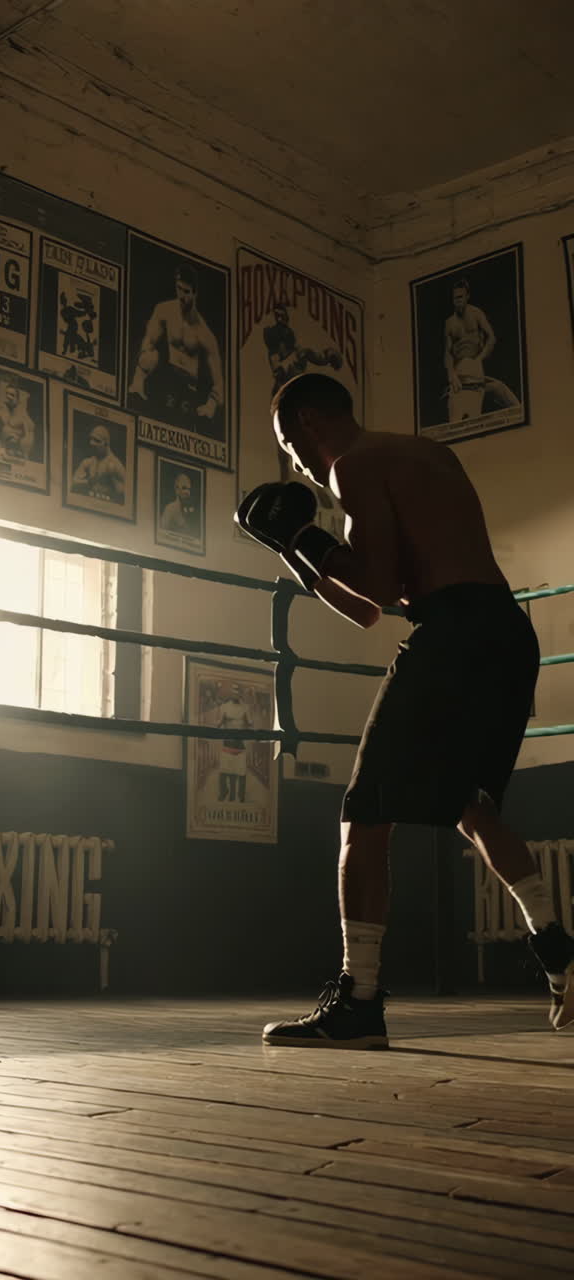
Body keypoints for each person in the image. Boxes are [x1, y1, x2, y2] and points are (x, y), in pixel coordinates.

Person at [236, 371, 574, 1047]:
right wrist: (297, 550)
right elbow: (366, 611)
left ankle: (359, 1002)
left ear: (308, 419)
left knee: (363, 815)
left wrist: (304, 535)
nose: (292, 462)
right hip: (506, 636)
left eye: (287, 442)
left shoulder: (355, 466)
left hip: (451, 636)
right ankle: (560, 949)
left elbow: (380, 583)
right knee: (473, 809)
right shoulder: (426, 453)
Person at [128, 262, 223, 423]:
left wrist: (211, 405)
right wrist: (139, 378)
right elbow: (148, 344)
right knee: (151, 355)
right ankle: (138, 386)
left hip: (189, 389)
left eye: (186, 292)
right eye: (179, 288)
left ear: (195, 294)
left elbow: (219, 381)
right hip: (168, 378)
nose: (182, 296)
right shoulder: (164, 311)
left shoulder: (204, 333)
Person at [444, 279, 521, 423]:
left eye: (460, 297)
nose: (457, 301)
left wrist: (479, 358)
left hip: (476, 369)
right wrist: (451, 374)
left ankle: (523, 414)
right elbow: (447, 352)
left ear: (467, 297)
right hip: (460, 373)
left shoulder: (476, 314)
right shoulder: (449, 323)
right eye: (455, 298)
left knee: (500, 389)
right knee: (458, 417)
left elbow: (491, 338)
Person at [264, 303, 342, 398]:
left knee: (305, 354)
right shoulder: (274, 332)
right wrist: (278, 368)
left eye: (282, 316)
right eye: (278, 316)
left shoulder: (288, 332)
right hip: (285, 369)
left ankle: (328, 357)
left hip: (291, 370)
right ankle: (328, 356)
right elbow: (274, 353)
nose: (280, 318)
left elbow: (295, 348)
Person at [0, 373, 35, 460]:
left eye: (12, 395)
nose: (9, 397)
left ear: (17, 398)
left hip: (17, 450)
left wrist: (25, 454)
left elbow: (29, 434)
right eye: (7, 394)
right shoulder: (3, 409)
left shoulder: (23, 413)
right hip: (2, 447)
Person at [216, 684, 252, 803]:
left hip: (239, 744)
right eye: (234, 691)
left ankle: (240, 795)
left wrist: (246, 726)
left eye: (238, 691)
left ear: (240, 693)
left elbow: (250, 724)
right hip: (227, 743)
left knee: (241, 772)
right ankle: (224, 792)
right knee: (224, 771)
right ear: (231, 692)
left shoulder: (245, 708)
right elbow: (219, 724)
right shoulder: (224, 707)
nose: (236, 694)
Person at [71, 423, 126, 503]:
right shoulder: (88, 462)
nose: (93, 443)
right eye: (92, 440)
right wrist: (88, 482)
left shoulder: (116, 465)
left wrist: (113, 479)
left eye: (97, 441)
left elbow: (126, 494)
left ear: (106, 443)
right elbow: (74, 482)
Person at [161, 472, 198, 538]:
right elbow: (162, 533)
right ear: (177, 489)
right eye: (184, 488)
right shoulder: (170, 509)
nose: (187, 492)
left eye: (189, 489)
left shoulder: (192, 511)